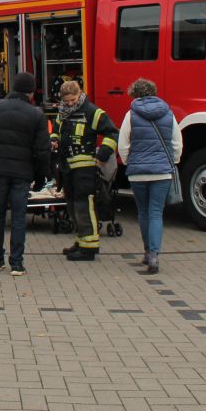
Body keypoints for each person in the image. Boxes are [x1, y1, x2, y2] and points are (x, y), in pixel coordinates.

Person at [0, 71, 51, 276]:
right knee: (18, 218)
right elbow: (42, 150)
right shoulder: (36, 114)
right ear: (31, 92)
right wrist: (41, 176)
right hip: (22, 174)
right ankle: (16, 264)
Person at [117, 78, 182, 274]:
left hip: (138, 173)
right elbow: (177, 143)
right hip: (162, 172)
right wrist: (173, 161)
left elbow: (123, 144)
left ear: (134, 95)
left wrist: (130, 161)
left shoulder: (130, 115)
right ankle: (154, 255)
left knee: (143, 213)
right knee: (156, 213)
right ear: (153, 92)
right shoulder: (168, 114)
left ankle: (146, 252)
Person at [53, 80, 118, 262]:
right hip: (68, 167)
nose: (70, 104)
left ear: (80, 94)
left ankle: (89, 248)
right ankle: (81, 241)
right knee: (72, 205)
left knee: (84, 205)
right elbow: (56, 130)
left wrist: (103, 154)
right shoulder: (63, 112)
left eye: (73, 100)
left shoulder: (93, 112)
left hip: (85, 169)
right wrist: (54, 139)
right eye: (67, 101)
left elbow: (112, 133)